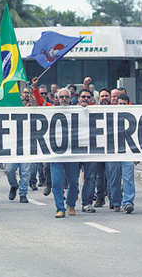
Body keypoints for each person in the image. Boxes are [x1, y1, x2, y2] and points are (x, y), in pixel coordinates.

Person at [51, 88, 80, 218]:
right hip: (56, 153)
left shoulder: (78, 110)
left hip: (72, 153)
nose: (64, 99)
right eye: (61, 97)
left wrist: (85, 107)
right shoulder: (49, 110)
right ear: (57, 99)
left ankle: (71, 203)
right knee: (56, 182)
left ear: (70, 98)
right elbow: (36, 106)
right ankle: (60, 208)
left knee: (73, 182)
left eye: (66, 97)